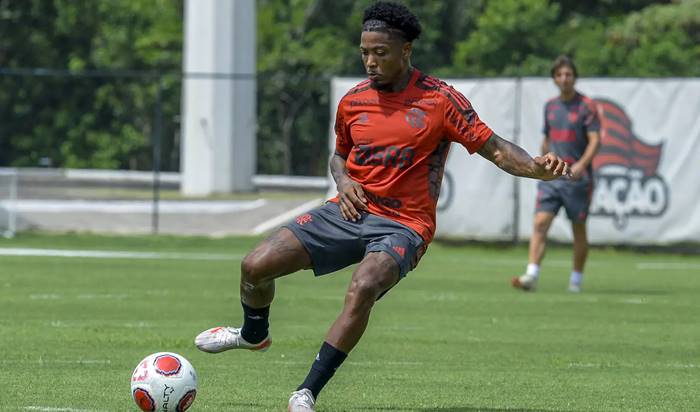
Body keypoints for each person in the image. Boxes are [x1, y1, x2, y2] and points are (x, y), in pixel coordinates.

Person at [194, 2, 570, 411]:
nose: (370, 62)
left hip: (404, 225)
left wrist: (535, 168)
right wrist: (343, 181)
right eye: (364, 53)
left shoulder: (440, 99)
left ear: (406, 50)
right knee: (255, 265)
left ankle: (306, 393)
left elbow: (495, 148)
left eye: (380, 53)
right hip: (347, 211)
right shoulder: (353, 101)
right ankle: (253, 335)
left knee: (364, 286)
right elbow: (339, 157)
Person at [512, 56, 600, 293]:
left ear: (575, 77)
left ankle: (576, 281)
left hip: (577, 180)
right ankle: (531, 275)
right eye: (559, 75)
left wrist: (581, 164)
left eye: (568, 74)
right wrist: (542, 162)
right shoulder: (550, 106)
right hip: (552, 178)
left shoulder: (587, 106)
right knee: (540, 223)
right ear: (554, 79)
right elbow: (547, 140)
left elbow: (595, 140)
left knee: (578, 228)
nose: (564, 79)